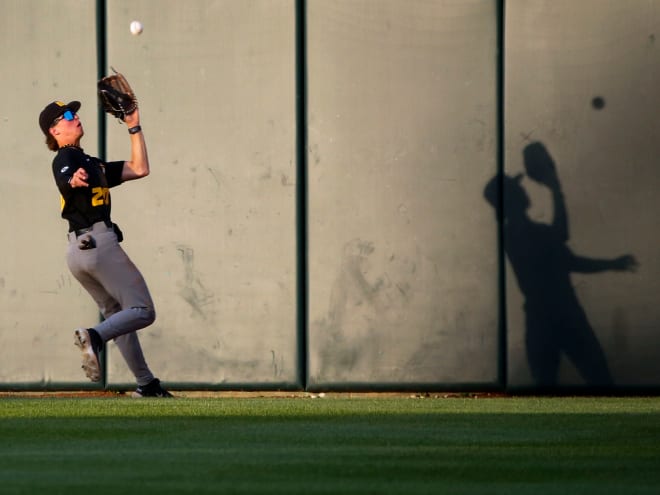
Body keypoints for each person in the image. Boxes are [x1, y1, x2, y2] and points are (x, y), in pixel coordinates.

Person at [38, 100, 172, 398]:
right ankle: (94, 337)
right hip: (98, 245)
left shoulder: (92, 163)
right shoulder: (66, 158)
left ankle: (146, 384)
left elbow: (140, 168)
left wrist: (133, 126)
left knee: (118, 315)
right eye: (68, 115)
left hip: (79, 252)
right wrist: (72, 180)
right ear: (54, 129)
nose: (76, 117)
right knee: (143, 310)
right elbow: (65, 176)